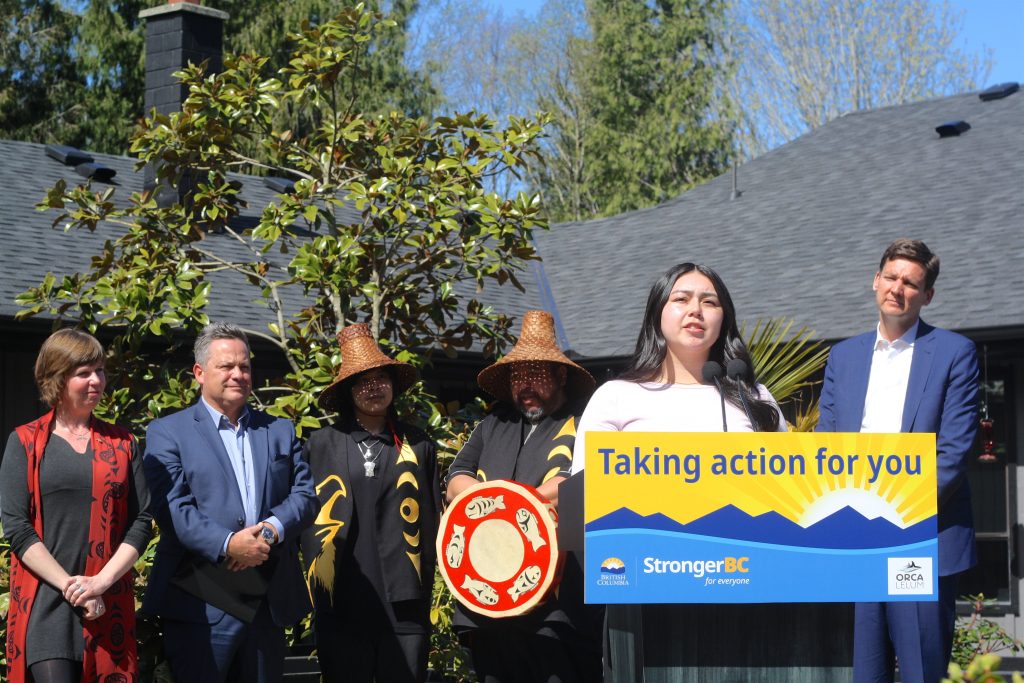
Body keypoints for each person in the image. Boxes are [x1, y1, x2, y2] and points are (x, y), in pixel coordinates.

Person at [571, 263, 787, 681]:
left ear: (725, 318)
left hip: (749, 599)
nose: (696, 311)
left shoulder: (755, 398)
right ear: (658, 313)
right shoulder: (616, 397)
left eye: (710, 302)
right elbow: (583, 501)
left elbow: (792, 490)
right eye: (682, 299)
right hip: (645, 602)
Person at [816, 239, 979, 683]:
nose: (897, 288)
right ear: (875, 280)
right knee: (864, 672)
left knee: (921, 672)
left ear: (926, 296)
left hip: (922, 538)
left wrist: (890, 512)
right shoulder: (843, 357)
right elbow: (826, 443)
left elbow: (953, 452)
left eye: (911, 283)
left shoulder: (954, 354)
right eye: (891, 277)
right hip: (856, 539)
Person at [141, 322, 318, 683]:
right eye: (226, 366)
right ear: (199, 372)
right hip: (199, 602)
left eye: (245, 366)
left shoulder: (279, 430)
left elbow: (305, 495)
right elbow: (172, 508)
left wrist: (270, 530)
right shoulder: (167, 432)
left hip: (266, 601)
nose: (238, 374)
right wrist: (228, 544)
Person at [445, 309, 602, 683]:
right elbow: (456, 478)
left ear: (560, 374)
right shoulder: (493, 424)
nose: (524, 385)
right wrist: (492, 504)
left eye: (534, 375)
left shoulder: (586, 422)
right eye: (518, 376)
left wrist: (508, 504)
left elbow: (578, 482)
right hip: (488, 595)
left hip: (557, 597)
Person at [1, 328, 152, 683]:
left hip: (107, 601)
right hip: (46, 602)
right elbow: (16, 526)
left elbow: (142, 520)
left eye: (99, 370)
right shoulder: (25, 442)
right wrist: (73, 586)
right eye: (83, 373)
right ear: (57, 377)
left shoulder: (122, 443)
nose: (96, 380)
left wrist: (100, 583)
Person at [300, 323, 440, 683]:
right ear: (348, 391)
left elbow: (433, 518)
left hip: (405, 600)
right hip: (342, 599)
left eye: (380, 379)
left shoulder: (418, 443)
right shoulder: (321, 444)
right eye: (362, 381)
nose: (373, 387)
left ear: (393, 384)